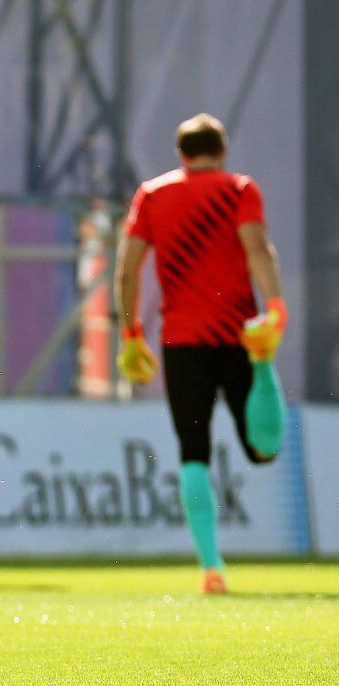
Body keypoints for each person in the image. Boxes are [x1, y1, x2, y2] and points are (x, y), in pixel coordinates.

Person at [115, 113, 288, 594]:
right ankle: (263, 363)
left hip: (181, 343)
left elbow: (127, 269)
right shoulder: (239, 189)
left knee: (193, 454)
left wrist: (130, 333)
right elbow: (258, 249)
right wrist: (275, 307)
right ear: (222, 151)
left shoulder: (152, 195)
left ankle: (211, 569)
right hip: (237, 335)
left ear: (181, 154)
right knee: (265, 449)